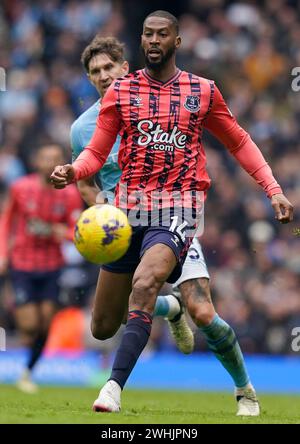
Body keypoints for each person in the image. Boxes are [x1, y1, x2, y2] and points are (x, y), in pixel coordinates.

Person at [50, 10, 293, 417]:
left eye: (163, 34)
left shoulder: (202, 91)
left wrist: (273, 188)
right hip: (128, 214)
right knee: (103, 326)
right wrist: (74, 171)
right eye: (148, 34)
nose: (154, 40)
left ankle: (123, 388)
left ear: (177, 41)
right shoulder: (120, 97)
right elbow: (94, 154)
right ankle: (169, 307)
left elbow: (238, 141)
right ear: (141, 41)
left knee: (167, 293)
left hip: (179, 210)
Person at [0, 143, 83, 393]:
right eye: (45, 158)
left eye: (55, 159)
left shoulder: (70, 195)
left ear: (62, 164)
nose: (50, 163)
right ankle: (25, 358)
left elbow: (78, 232)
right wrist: (3, 253)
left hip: (52, 264)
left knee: (46, 322)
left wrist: (63, 232)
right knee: (29, 325)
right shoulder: (20, 188)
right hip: (23, 262)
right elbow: (7, 221)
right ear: (37, 161)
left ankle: (28, 372)